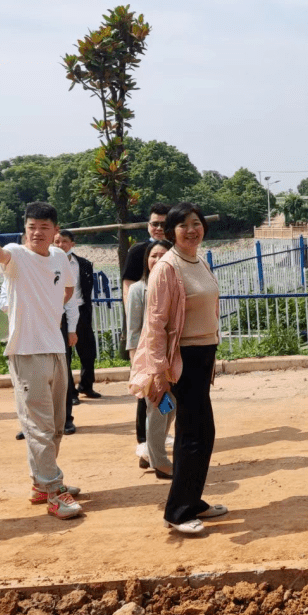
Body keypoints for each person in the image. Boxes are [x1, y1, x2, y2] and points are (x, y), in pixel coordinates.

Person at [0, 202, 84, 520]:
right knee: (39, 426)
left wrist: (48, 305)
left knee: (58, 424)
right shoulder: (16, 255)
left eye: (44, 227)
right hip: (26, 350)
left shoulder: (60, 257)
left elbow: (69, 288)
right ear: (25, 229)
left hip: (55, 347)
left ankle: (41, 484)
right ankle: (53, 490)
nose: (37, 232)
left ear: (55, 231)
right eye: (32, 227)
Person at [130, 202, 227, 535]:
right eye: (183, 225)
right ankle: (178, 511)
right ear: (171, 232)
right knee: (192, 436)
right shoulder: (167, 267)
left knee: (201, 433)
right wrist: (159, 371)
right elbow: (155, 323)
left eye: (196, 223)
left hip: (202, 356)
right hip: (182, 360)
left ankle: (193, 500)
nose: (192, 230)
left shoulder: (198, 259)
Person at [126, 238, 172, 472]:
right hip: (148, 360)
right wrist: (137, 366)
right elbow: (133, 331)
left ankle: (150, 452)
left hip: (171, 359)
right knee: (157, 406)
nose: (157, 259)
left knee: (169, 406)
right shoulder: (137, 290)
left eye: (162, 255)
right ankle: (159, 461)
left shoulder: (176, 286)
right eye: (153, 256)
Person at [56, 230, 98, 416]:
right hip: (60, 313)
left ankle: (86, 386)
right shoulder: (49, 263)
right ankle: (70, 392)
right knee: (65, 354)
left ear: (72, 244)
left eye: (65, 241)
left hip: (81, 310)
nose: (61, 245)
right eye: (57, 241)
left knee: (88, 350)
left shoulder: (84, 264)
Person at [122, 203, 170, 300]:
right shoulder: (136, 251)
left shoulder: (177, 249)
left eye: (164, 225)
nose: (159, 228)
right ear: (148, 225)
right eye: (155, 224)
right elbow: (128, 285)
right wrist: (131, 312)